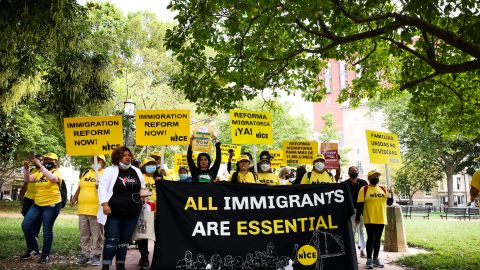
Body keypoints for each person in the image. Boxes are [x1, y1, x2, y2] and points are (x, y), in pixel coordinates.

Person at [97, 146, 146, 270]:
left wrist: (144, 194)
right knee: (112, 240)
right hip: (113, 212)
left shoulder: (136, 171)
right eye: (124, 155)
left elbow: (143, 187)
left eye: (129, 155)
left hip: (132, 213)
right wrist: (104, 204)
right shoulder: (110, 170)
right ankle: (106, 265)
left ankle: (121, 264)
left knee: (124, 241)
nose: (128, 157)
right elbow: (102, 188)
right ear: (118, 157)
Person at [21, 153, 63, 264]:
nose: (48, 161)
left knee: (47, 230)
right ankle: (34, 249)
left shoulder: (57, 172)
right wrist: (26, 168)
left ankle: (45, 255)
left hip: (52, 205)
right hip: (38, 204)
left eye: (51, 160)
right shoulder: (39, 172)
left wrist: (40, 165)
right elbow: (28, 180)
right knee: (26, 225)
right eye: (46, 159)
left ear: (55, 162)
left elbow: (52, 178)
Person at [70, 155, 106, 266]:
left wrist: (100, 187)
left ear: (103, 162)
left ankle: (96, 255)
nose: (96, 162)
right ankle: (85, 254)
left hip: (96, 209)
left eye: (98, 160)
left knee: (97, 234)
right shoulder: (86, 172)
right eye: (94, 160)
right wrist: (75, 198)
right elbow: (80, 187)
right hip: (82, 209)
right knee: (84, 233)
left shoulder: (105, 173)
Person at [356, 170, 394, 269]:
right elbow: (360, 204)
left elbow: (389, 202)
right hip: (369, 218)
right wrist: (357, 217)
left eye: (377, 176)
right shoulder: (364, 189)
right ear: (369, 178)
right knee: (371, 238)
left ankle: (376, 258)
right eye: (373, 176)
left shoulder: (382, 189)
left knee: (377, 239)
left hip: (381, 218)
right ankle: (369, 260)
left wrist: (391, 194)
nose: (375, 178)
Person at [137, 157, 159, 269]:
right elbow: (140, 192)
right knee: (143, 237)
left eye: (153, 164)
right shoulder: (141, 178)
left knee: (158, 237)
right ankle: (144, 258)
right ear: (144, 167)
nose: (151, 166)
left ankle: (158, 259)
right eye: (148, 164)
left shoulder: (159, 178)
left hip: (159, 213)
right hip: (144, 212)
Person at [343, 166, 368, 258]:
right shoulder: (345, 184)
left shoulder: (363, 183)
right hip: (350, 210)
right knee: (352, 231)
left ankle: (362, 250)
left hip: (362, 210)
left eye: (355, 170)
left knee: (361, 230)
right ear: (348, 172)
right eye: (352, 171)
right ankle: (352, 252)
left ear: (358, 172)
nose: (354, 172)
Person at [18, 154, 43, 239]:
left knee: (38, 217)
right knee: (25, 212)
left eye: (40, 160)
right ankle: (31, 228)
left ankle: (35, 234)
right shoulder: (31, 170)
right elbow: (25, 183)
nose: (38, 161)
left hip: (39, 198)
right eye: (37, 159)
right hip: (28, 197)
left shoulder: (44, 171)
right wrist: (21, 195)